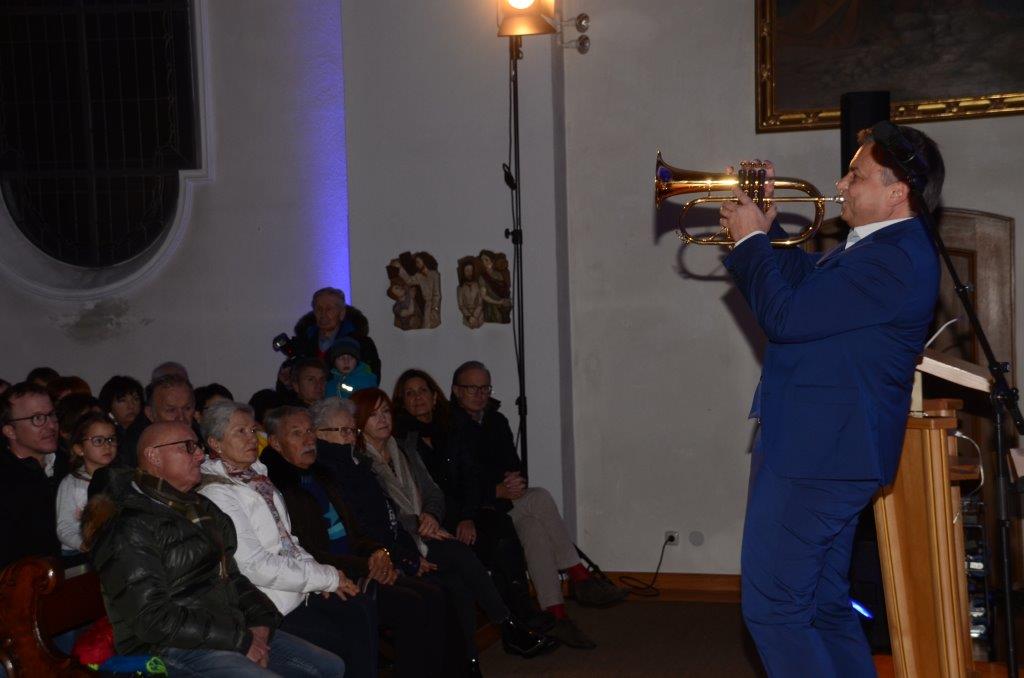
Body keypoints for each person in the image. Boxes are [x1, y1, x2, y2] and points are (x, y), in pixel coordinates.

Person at [718, 125, 944, 677]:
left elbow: (786, 317)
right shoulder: (878, 248)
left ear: (897, 191)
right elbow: (805, 291)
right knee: (821, 607)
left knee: (774, 610)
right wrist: (766, 230)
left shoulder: (893, 257)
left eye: (856, 175)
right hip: (825, 450)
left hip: (818, 457)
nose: (840, 184)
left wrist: (749, 243)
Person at [82, 421, 344, 676]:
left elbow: (232, 577)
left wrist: (261, 623)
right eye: (188, 447)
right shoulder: (128, 525)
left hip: (225, 629)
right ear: (154, 456)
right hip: (168, 648)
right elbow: (151, 618)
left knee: (330, 666)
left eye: (198, 446)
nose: (200, 455)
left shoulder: (200, 508)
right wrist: (240, 641)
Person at [350, 388, 559, 670]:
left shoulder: (403, 449)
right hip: (399, 541)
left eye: (386, 411)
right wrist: (418, 523)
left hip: (426, 531)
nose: (383, 419)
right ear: (359, 422)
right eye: (373, 415)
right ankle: (508, 626)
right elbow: (381, 515)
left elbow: (433, 492)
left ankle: (470, 662)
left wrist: (431, 515)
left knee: (459, 581)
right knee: (460, 556)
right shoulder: (361, 462)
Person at [262, 401, 447, 678]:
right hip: (331, 576)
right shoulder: (280, 488)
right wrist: (368, 564)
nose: (308, 439)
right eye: (296, 433)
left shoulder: (322, 476)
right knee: (412, 604)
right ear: (276, 443)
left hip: (360, 564)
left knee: (433, 593)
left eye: (310, 431)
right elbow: (310, 552)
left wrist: (380, 553)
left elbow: (358, 532)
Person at [448, 362, 627, 647]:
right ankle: (579, 576)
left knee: (534, 529)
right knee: (540, 497)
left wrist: (515, 482)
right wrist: (495, 489)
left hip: (506, 503)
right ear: (457, 391)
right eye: (472, 388)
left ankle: (556, 615)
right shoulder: (449, 427)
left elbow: (514, 465)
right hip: (475, 511)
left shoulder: (496, 421)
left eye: (485, 388)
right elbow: (454, 482)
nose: (480, 395)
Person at [198, 401, 377, 677]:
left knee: (359, 607)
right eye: (240, 432)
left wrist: (321, 577)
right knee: (342, 636)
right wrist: (325, 578)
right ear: (215, 443)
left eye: (252, 430)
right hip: (267, 603)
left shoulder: (256, 476)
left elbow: (288, 541)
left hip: (295, 588)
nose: (251, 438)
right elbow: (254, 565)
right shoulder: (217, 493)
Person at [392, 369, 544, 632]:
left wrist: (468, 516)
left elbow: (470, 477)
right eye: (410, 393)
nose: (418, 398)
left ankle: (521, 612)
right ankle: (512, 621)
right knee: (487, 544)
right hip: (432, 519)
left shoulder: (450, 429)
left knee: (501, 528)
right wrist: (459, 518)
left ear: (435, 397)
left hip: (466, 510)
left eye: (423, 391)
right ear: (402, 402)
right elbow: (424, 494)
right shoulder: (401, 441)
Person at [0, 382, 61, 569]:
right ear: (10, 431)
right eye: (37, 418)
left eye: (51, 415)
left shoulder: (72, 463)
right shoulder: (6, 481)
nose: (51, 425)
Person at [55, 412, 117, 552]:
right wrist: (84, 544)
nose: (107, 446)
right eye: (98, 441)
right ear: (79, 449)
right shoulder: (71, 483)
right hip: (77, 551)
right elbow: (64, 527)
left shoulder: (120, 477)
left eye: (111, 439)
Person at [117, 373, 197, 468]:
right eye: (171, 410)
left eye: (187, 408)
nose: (181, 418)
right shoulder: (134, 448)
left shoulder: (202, 435)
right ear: (150, 414)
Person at [301, 287, 382, 378]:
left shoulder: (362, 344)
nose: (323, 314)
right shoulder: (302, 343)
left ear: (342, 313)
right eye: (319, 309)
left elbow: (370, 379)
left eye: (329, 309)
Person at [456, 258, 484, 329]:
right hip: (466, 318)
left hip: (479, 317)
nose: (470, 273)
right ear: (463, 272)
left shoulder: (478, 285)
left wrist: (474, 316)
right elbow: (461, 305)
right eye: (467, 270)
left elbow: (480, 303)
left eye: (471, 270)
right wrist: (469, 317)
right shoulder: (460, 288)